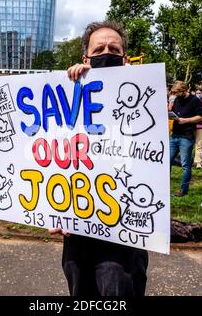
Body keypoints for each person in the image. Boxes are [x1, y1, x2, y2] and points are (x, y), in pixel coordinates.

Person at [51, 21, 148, 297]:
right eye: (100, 48)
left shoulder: (138, 96)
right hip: (77, 229)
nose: (107, 52)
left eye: (114, 49)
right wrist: (52, 208)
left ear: (125, 58)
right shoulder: (70, 97)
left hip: (122, 234)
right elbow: (54, 156)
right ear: (86, 59)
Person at [169, 81, 202, 197]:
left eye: (177, 93)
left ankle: (183, 189)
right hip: (174, 135)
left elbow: (201, 116)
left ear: (184, 90)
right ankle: (164, 186)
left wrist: (186, 120)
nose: (175, 95)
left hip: (187, 136)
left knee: (185, 165)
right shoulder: (176, 99)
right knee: (166, 162)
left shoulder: (195, 100)